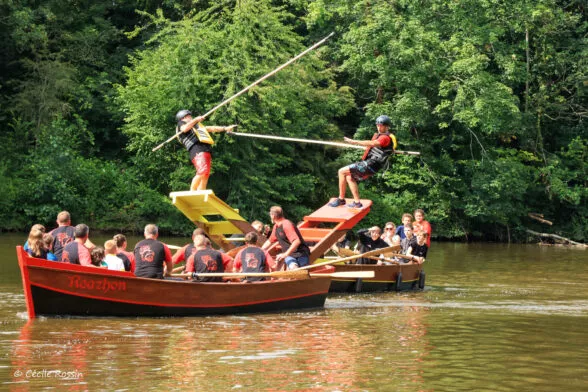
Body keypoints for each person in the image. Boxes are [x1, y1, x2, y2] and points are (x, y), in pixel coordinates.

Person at [328, 115, 397, 209]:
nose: (379, 127)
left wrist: (354, 141)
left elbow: (372, 143)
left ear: (387, 126)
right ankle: (357, 202)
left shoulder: (384, 137)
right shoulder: (383, 136)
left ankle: (341, 199)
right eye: (378, 125)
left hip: (370, 164)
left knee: (341, 171)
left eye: (381, 125)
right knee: (349, 177)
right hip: (372, 166)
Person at [175, 109, 237, 191]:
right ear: (183, 118)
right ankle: (192, 191)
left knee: (206, 173)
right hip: (197, 149)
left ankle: (201, 191)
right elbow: (184, 129)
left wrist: (225, 128)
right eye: (189, 116)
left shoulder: (196, 126)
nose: (191, 117)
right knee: (202, 170)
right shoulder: (181, 124)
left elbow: (211, 128)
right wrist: (196, 119)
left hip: (205, 149)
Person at [262, 206, 310, 270]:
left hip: (300, 254)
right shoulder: (276, 227)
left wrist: (285, 254)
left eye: (270, 215)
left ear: (273, 216)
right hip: (290, 255)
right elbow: (270, 241)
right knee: (293, 268)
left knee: (302, 274)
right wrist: (260, 249)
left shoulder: (286, 224)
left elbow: (296, 241)